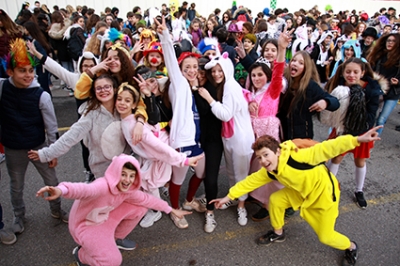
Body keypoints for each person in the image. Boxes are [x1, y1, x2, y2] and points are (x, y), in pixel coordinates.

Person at [211, 126, 383, 266]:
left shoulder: (299, 157)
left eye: (266, 155)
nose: (263, 161)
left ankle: (351, 247)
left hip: (323, 196)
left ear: (277, 152)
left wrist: (357, 140)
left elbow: (327, 148)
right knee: (276, 200)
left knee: (326, 236)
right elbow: (250, 182)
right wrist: (228, 198)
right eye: (259, 157)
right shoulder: (270, 170)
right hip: (302, 192)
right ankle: (278, 232)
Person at [36, 154, 191, 266]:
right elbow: (81, 189)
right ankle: (81, 254)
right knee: (112, 261)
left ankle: (115, 239)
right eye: (123, 174)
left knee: (141, 207)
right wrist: (60, 190)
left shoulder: (127, 191)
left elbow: (148, 199)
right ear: (116, 173)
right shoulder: (102, 186)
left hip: (103, 216)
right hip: (85, 225)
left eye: (131, 176)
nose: (127, 180)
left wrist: (171, 210)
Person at [0, 39, 68, 234]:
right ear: (10, 71)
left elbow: (52, 126)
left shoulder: (41, 95)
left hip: (39, 148)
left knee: (51, 181)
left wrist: (52, 151)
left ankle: (56, 210)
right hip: (13, 147)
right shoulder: (2, 88)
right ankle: (19, 217)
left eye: (31, 70)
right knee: (16, 185)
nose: (28, 75)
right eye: (22, 70)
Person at [27, 74, 129, 179]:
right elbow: (70, 137)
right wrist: (47, 153)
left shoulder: (123, 110)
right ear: (94, 92)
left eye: (107, 87)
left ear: (115, 89)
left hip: (126, 168)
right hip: (103, 171)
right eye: (98, 88)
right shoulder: (91, 115)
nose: (103, 90)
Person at [198, 51, 255, 229]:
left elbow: (225, 114)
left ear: (226, 70)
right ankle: (234, 197)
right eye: (213, 71)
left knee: (241, 173)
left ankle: (241, 206)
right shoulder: (228, 85)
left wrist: (208, 98)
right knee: (232, 171)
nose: (216, 74)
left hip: (240, 138)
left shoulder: (229, 86)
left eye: (219, 71)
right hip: (229, 137)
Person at [323, 58, 383, 209]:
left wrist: (360, 131)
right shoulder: (340, 88)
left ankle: (359, 190)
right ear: (343, 72)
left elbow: (371, 115)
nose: (351, 75)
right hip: (343, 130)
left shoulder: (372, 90)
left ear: (362, 72)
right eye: (348, 71)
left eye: (355, 72)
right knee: (336, 157)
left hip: (362, 132)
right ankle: (328, 186)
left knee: (360, 161)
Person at [367, 33, 400, 135]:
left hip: (392, 93)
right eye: (388, 40)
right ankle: (366, 139)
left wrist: (398, 82)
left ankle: (373, 141)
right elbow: (371, 71)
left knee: (381, 119)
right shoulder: (379, 55)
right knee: (371, 116)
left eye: (393, 41)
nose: (390, 43)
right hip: (378, 90)